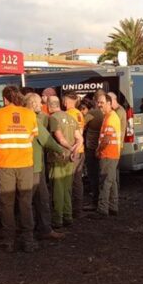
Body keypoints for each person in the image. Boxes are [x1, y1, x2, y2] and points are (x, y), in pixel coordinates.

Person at [0, 86, 39, 253]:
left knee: (7, 203)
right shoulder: (30, 114)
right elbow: (33, 135)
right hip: (25, 163)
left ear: (5, 99)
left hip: (5, 164)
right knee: (26, 202)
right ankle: (28, 240)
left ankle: (9, 240)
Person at [25, 93, 66, 240]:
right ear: (34, 104)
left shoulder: (20, 116)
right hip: (34, 165)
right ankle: (42, 230)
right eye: (39, 103)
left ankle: (41, 228)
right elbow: (47, 139)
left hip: (21, 164)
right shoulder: (32, 119)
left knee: (29, 199)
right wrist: (61, 150)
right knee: (38, 199)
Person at [47, 95, 81, 228]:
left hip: (58, 158)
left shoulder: (53, 118)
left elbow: (60, 139)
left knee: (58, 190)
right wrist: (74, 151)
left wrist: (69, 148)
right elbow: (80, 139)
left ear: (49, 106)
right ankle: (68, 215)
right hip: (70, 159)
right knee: (67, 188)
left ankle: (58, 219)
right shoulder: (71, 118)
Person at [92, 93, 120, 218]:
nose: (99, 105)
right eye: (98, 102)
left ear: (109, 103)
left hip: (108, 154)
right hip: (113, 154)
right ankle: (113, 207)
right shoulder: (110, 116)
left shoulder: (110, 118)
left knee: (105, 182)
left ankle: (102, 210)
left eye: (102, 103)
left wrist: (98, 150)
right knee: (112, 181)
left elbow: (106, 139)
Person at [63, 91, 86, 220]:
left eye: (64, 100)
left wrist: (73, 151)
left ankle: (71, 210)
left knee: (70, 181)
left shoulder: (68, 114)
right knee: (78, 181)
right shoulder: (79, 113)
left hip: (74, 151)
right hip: (81, 150)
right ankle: (78, 209)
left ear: (67, 101)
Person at [83, 89, 106, 210]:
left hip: (91, 148)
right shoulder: (107, 114)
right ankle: (104, 201)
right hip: (103, 148)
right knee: (103, 176)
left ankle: (95, 202)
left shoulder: (92, 113)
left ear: (95, 100)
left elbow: (80, 125)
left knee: (93, 176)